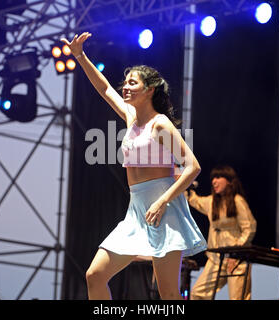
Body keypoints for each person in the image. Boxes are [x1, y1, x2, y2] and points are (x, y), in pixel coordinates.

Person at [61, 32, 207, 300]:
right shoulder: (131, 118)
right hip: (136, 211)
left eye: (132, 83)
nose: (124, 87)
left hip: (163, 211)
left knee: (169, 295)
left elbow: (192, 167)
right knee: (94, 275)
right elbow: (104, 88)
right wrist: (79, 55)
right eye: (125, 82)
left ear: (149, 90)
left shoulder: (159, 124)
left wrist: (163, 201)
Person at [185, 165, 257, 300]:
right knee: (197, 293)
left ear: (229, 181)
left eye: (218, 177)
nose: (214, 181)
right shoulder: (211, 201)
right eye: (213, 178)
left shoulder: (237, 201)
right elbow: (194, 200)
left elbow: (249, 228)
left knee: (238, 298)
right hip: (216, 258)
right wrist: (185, 186)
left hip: (235, 259)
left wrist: (236, 252)